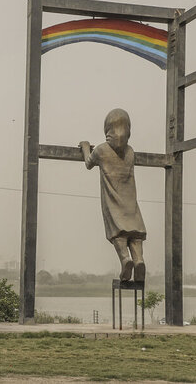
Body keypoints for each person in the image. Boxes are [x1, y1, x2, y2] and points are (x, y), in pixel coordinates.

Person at [79, 108, 146, 282]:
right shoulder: (130, 151)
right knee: (135, 234)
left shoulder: (101, 150)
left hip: (113, 200)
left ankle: (125, 259)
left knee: (118, 233)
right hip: (130, 203)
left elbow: (88, 163)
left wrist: (86, 146)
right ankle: (139, 260)